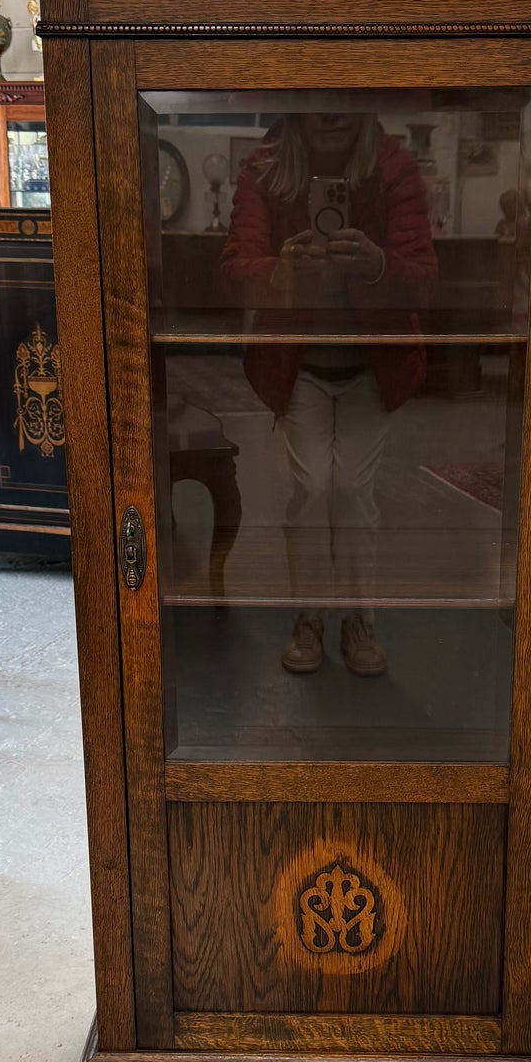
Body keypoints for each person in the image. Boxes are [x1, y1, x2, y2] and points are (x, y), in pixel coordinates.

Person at [221, 113, 437, 677]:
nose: (331, 113)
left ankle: (352, 617)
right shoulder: (265, 168)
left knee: (350, 492)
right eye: (318, 100)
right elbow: (236, 269)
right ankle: (314, 616)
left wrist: (377, 266)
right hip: (300, 363)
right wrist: (281, 273)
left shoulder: (392, 168)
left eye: (345, 99)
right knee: (319, 488)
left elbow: (422, 275)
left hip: (370, 363)